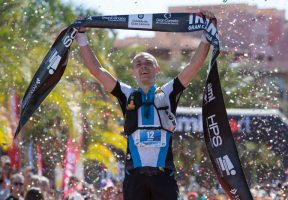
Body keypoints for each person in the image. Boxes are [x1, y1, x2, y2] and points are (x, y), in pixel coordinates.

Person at [76, 10, 214, 200]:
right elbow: (96, 70)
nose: (143, 67)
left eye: (148, 63)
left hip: (163, 176)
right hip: (135, 178)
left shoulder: (168, 91)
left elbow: (194, 66)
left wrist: (207, 33)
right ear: (133, 72)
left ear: (156, 69)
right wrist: (81, 36)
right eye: (138, 64)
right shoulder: (126, 94)